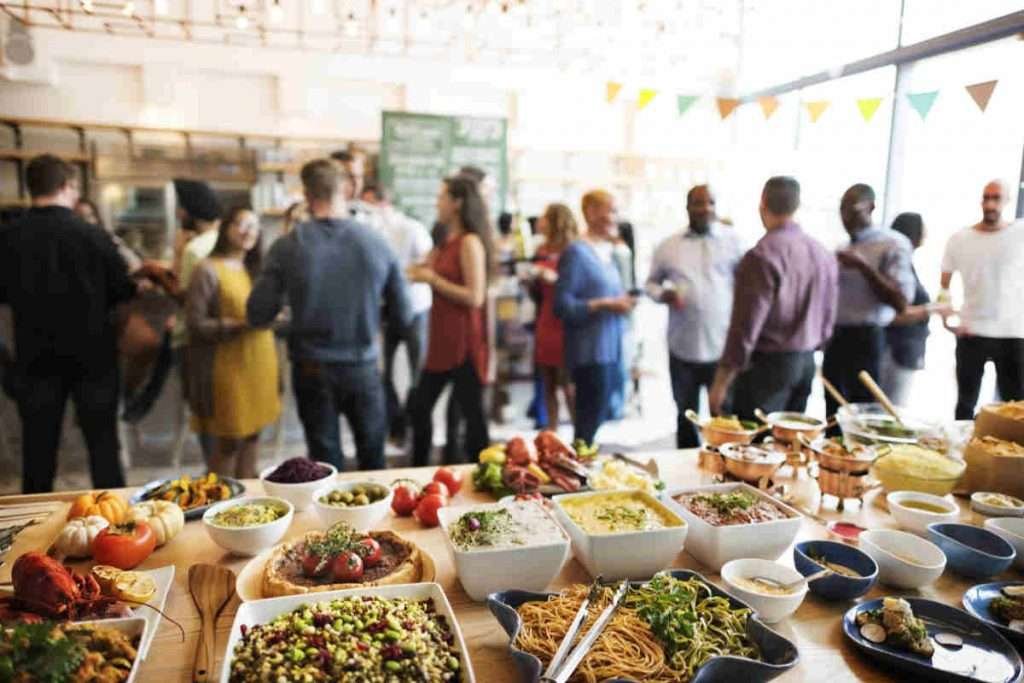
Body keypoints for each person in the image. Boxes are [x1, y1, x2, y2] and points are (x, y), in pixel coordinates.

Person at [248, 159, 412, 472]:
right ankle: (378, 520)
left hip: (312, 367)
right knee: (373, 458)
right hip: (363, 365)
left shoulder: (287, 246)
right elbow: (403, 315)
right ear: (346, 189)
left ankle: (331, 521)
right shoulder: (377, 243)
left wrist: (291, 315)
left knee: (324, 462)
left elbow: (257, 313)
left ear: (307, 194)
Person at [0, 155, 137, 493]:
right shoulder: (93, 236)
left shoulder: (8, 238)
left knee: (38, 455)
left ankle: (34, 534)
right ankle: (116, 529)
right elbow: (124, 292)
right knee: (104, 451)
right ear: (67, 186)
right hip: (95, 359)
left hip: (35, 360)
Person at [709, 176, 838, 419]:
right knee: (789, 445)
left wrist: (721, 382)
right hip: (805, 362)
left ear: (762, 204)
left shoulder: (761, 255)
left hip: (767, 367)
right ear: (796, 206)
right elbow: (828, 318)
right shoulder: (822, 253)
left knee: (753, 447)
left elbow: (745, 327)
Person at [647, 185, 746, 447]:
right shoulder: (669, 246)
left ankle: (724, 473)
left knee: (724, 417)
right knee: (685, 415)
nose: (705, 209)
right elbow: (650, 284)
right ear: (687, 207)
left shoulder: (734, 241)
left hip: (722, 348)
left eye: (710, 203)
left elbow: (748, 286)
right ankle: (686, 474)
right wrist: (663, 294)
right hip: (683, 347)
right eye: (699, 203)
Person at [186, 207, 280, 479]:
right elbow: (195, 324)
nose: (248, 231)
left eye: (254, 225)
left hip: (261, 361)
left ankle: (247, 503)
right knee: (229, 441)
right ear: (225, 227)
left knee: (253, 437)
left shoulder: (257, 270)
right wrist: (238, 324)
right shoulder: (206, 269)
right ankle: (216, 504)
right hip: (226, 366)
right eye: (241, 224)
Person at [407, 176, 494, 466]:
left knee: (473, 420)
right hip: (442, 341)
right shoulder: (445, 241)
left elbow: (475, 296)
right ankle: (421, 470)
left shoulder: (469, 242)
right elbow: (423, 268)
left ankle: (482, 477)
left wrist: (432, 279)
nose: (437, 202)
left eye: (442, 197)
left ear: (457, 203)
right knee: (421, 409)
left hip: (463, 343)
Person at [822, 184, 914, 417]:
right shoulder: (842, 247)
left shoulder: (892, 244)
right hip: (836, 337)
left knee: (864, 413)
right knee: (833, 411)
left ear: (871, 207)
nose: (845, 216)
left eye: (852, 209)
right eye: (841, 210)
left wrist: (864, 268)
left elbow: (901, 302)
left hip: (868, 339)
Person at [555, 189, 636, 445]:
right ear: (589, 212)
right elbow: (562, 306)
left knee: (599, 415)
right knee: (588, 420)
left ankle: (582, 469)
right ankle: (576, 475)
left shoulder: (607, 252)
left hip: (610, 349)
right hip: (588, 352)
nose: (613, 217)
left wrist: (623, 301)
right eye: (609, 210)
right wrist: (605, 304)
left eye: (615, 211)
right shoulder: (576, 253)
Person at [941, 180, 1024, 419]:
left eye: (996, 198)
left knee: (1015, 406)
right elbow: (944, 286)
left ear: (1006, 200)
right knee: (965, 405)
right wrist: (946, 316)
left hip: (1012, 333)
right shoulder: (960, 238)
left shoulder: (1018, 234)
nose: (990, 203)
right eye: (986, 197)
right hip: (972, 330)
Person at [361, 184, 434, 443]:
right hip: (385, 310)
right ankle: (397, 424)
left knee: (418, 373)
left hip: (416, 308)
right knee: (383, 372)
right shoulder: (370, 232)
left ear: (383, 203)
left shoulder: (412, 228)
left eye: (368, 204)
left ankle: (413, 426)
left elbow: (429, 263)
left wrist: (398, 273)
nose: (364, 211)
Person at [881, 213, 949, 405]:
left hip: (904, 350)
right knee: (891, 410)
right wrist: (931, 309)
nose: (926, 234)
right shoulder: (896, 266)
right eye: (923, 229)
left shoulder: (906, 264)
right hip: (896, 350)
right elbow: (893, 315)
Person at [531, 203, 578, 429]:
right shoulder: (541, 249)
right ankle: (552, 430)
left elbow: (578, 286)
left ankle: (581, 434)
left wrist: (553, 278)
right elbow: (536, 293)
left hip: (566, 323)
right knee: (548, 380)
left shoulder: (575, 249)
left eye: (544, 218)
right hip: (545, 319)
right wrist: (530, 280)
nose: (540, 222)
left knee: (568, 382)